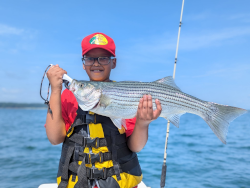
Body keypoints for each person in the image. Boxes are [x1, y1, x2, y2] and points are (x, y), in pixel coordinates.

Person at [45, 33, 162, 188]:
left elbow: (136, 147)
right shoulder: (68, 95)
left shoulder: (127, 95)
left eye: (104, 58)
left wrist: (143, 123)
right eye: (90, 58)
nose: (96, 63)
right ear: (83, 63)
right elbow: (55, 139)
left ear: (113, 63)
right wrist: (55, 89)